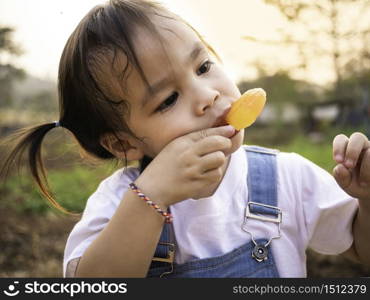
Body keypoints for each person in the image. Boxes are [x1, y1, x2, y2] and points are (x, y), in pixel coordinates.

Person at [1, 0, 370, 278]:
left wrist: (366, 198)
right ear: (124, 143)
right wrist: (152, 197)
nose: (207, 94)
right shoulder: (118, 203)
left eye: (204, 67)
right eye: (168, 100)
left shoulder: (285, 178)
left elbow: (358, 245)